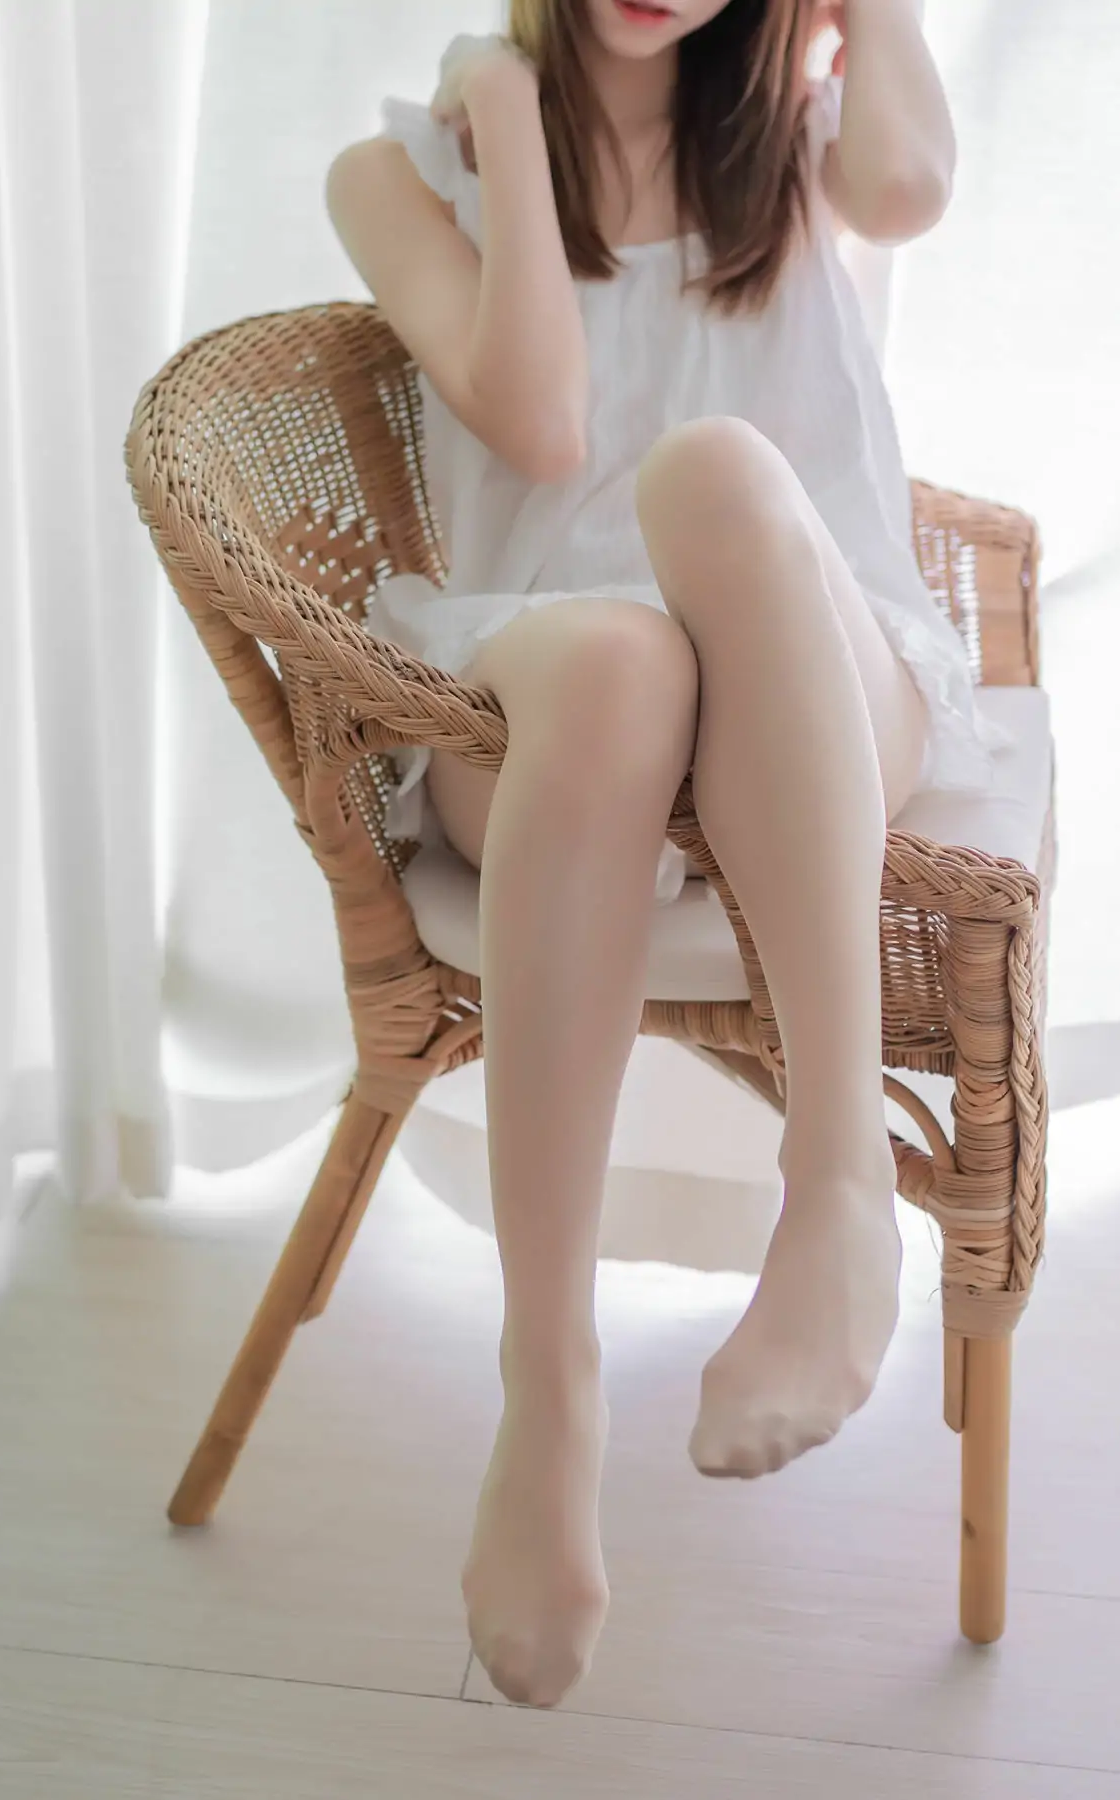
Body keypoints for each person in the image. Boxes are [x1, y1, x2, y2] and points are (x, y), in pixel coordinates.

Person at [327, 0, 991, 1707]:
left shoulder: (805, 141)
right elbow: (542, 424)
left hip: (816, 672)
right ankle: (548, 1391)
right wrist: (504, 106)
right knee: (626, 656)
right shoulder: (401, 174)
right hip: (557, 690)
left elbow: (911, 187)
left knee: (717, 474)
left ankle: (837, 1186)